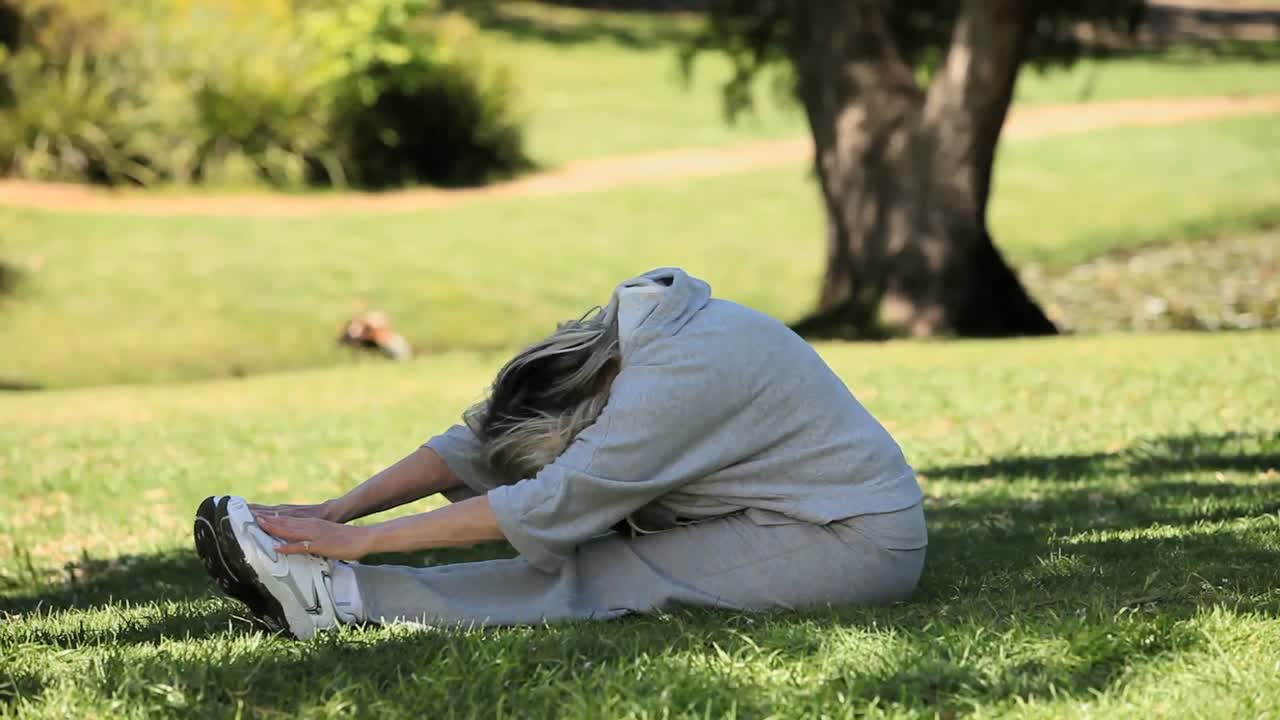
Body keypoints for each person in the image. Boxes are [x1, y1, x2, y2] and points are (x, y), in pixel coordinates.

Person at [193, 268, 927, 640]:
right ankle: (324, 583)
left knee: (606, 572)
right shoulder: (619, 338)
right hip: (778, 507)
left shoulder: (673, 382)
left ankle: (338, 603)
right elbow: (476, 445)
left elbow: (551, 501)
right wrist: (335, 510)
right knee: (571, 529)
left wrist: (358, 546)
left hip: (846, 540)